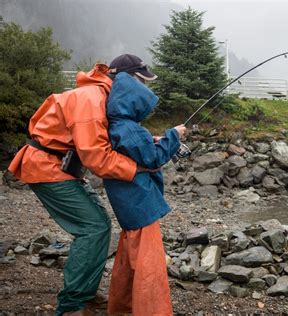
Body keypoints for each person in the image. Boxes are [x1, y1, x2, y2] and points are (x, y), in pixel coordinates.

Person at [7, 55, 163, 316]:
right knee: (94, 228)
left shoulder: (102, 96)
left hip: (61, 166)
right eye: (139, 80)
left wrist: (150, 141)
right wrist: (139, 168)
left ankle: (84, 293)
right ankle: (72, 306)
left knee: (99, 224)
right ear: (124, 79)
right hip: (46, 166)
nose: (142, 88)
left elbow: (109, 139)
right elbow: (97, 157)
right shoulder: (92, 100)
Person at [103, 55, 185, 315]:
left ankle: (122, 306)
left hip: (128, 206)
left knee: (129, 257)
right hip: (140, 203)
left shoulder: (118, 125)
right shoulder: (129, 128)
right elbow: (154, 158)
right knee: (150, 263)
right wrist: (174, 135)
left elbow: (139, 151)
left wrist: (154, 139)